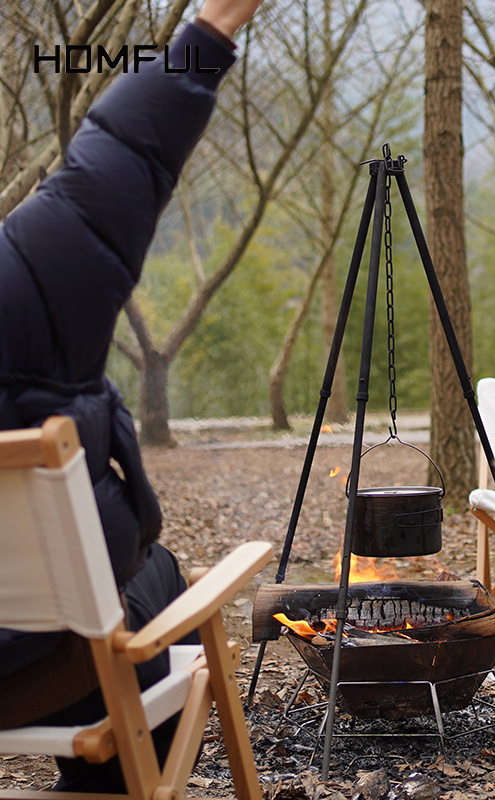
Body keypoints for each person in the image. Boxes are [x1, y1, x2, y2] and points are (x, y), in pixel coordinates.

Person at [0, 0, 261, 791]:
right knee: (160, 580)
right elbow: (123, 153)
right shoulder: (23, 290)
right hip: (46, 665)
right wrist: (212, 25)